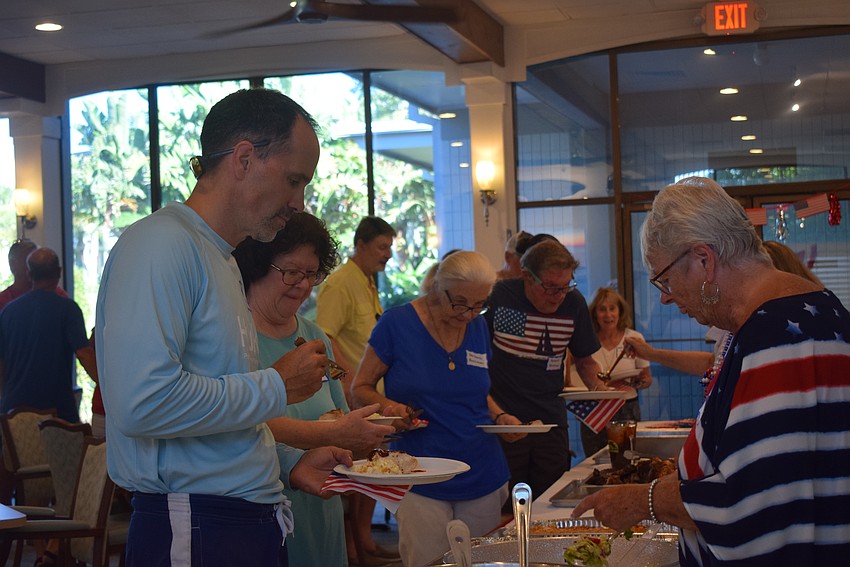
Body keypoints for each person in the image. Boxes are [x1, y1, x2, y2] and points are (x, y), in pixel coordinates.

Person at [95, 88, 353, 567]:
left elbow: (213, 419)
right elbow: (142, 404)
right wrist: (277, 385)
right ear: (244, 158)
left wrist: (289, 465)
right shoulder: (160, 244)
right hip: (192, 521)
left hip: (230, 518)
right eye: (294, 180)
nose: (300, 201)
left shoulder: (220, 258)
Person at [572, 176, 850, 566]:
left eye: (665, 279)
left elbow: (752, 504)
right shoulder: (818, 310)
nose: (665, 297)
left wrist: (645, 499)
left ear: (704, 259)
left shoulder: (771, 337)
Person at [233, 212, 393, 567]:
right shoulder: (236, 339)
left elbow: (337, 417)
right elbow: (235, 425)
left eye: (311, 274)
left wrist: (371, 430)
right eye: (291, 272)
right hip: (262, 514)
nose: (303, 285)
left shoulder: (315, 336)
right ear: (258, 265)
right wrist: (337, 432)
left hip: (322, 507)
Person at [351, 251, 511, 567]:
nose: (469, 314)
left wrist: (500, 416)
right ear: (438, 287)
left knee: (483, 562)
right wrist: (391, 407)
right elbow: (360, 388)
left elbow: (476, 390)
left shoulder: (478, 326)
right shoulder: (396, 324)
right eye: (461, 303)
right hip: (420, 472)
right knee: (428, 561)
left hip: (481, 468)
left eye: (480, 304)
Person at [485, 239, 620, 500]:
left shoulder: (574, 303)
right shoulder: (502, 297)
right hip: (504, 421)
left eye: (565, 287)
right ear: (526, 276)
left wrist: (600, 389)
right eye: (550, 288)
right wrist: (495, 415)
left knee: (550, 499)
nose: (558, 296)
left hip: (550, 421)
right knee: (505, 504)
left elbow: (585, 361)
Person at [315, 215, 398, 563]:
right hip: (349, 395)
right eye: (382, 247)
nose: (387, 255)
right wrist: (350, 379)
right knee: (353, 470)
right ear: (360, 245)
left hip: (368, 396)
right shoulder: (340, 283)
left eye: (390, 248)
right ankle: (353, 546)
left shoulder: (367, 282)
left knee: (372, 468)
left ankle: (364, 539)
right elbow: (325, 338)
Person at [0, 247, 96, 423]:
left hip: (13, 413)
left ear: (29, 274)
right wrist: (107, 388)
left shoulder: (8, 312)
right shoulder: (67, 309)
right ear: (59, 272)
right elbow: (84, 354)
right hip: (56, 413)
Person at [573, 287, 652, 457]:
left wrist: (630, 384)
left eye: (612, 308)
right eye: (602, 309)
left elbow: (647, 379)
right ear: (594, 313)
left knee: (626, 457)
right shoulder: (585, 340)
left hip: (626, 407)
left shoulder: (634, 339)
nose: (608, 315)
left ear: (620, 311)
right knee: (594, 459)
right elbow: (572, 374)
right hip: (594, 408)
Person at [0, 239, 67, 310]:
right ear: (13, 264)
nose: (36, 266)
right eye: (29, 261)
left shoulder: (59, 296)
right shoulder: (3, 302)